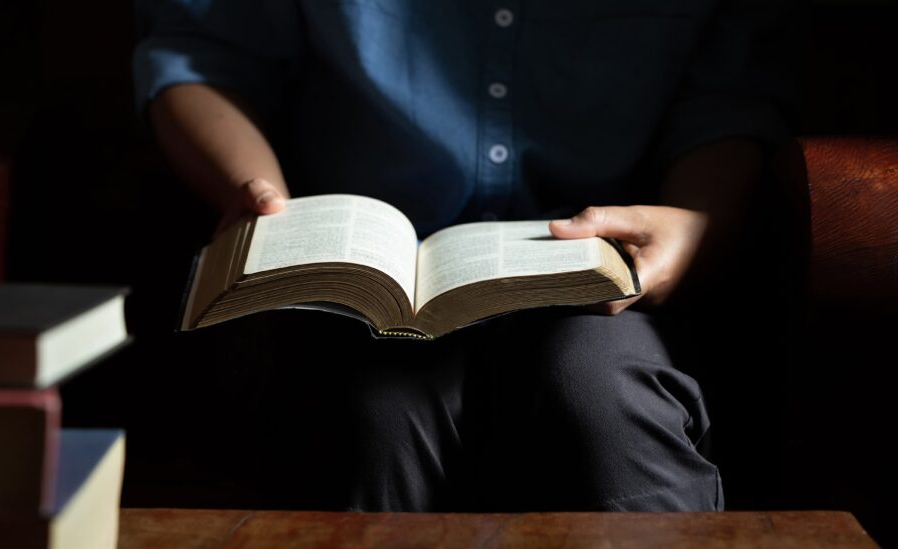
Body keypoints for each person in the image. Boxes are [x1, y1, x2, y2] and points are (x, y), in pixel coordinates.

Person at [133, 1, 795, 512]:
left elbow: (727, 100)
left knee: (605, 401)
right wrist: (249, 186)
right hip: (360, 290)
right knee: (373, 418)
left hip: (601, 283)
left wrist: (695, 224)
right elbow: (202, 57)